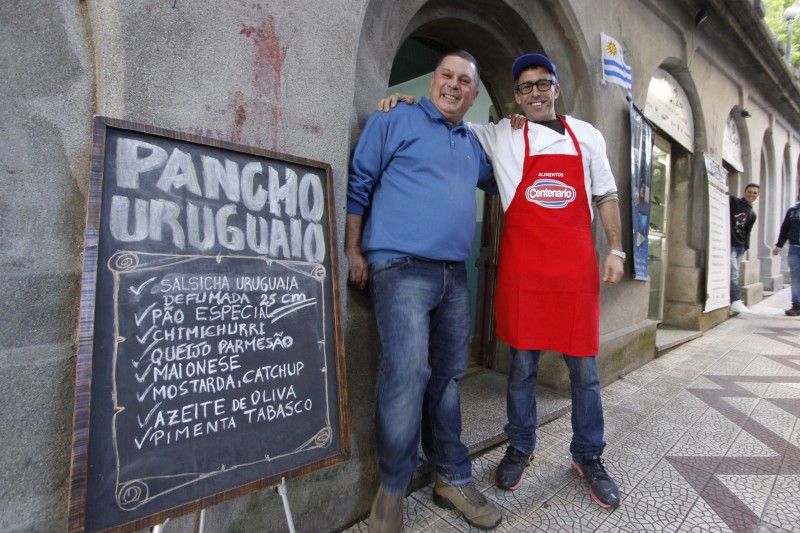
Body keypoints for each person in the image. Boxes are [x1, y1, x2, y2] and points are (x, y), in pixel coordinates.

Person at [381, 52, 624, 509]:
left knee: (585, 373)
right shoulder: (501, 134)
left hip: (574, 274)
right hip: (524, 273)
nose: (535, 92)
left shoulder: (587, 135)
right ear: (516, 96)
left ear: (556, 89)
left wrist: (616, 249)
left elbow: (606, 194)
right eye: (526, 86)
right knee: (522, 368)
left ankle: (588, 455)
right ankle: (520, 445)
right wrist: (409, 103)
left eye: (543, 83)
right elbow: (449, 116)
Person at [346, 50, 502, 532]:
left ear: (474, 94)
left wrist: (517, 129)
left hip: (453, 274)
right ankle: (391, 489)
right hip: (400, 267)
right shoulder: (394, 117)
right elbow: (360, 181)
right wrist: (353, 249)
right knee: (408, 372)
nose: (454, 85)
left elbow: (505, 178)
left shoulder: (472, 143)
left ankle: (451, 476)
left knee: (448, 378)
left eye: (464, 81)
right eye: (446, 76)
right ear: (433, 81)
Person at [729, 184, 760, 314]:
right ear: (744, 191)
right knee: (734, 272)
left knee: (734, 273)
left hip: (740, 247)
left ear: (757, 195)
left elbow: (748, 232)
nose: (751, 194)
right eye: (749, 191)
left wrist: (746, 246)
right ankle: (736, 300)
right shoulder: (734, 202)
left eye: (755, 193)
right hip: (729, 244)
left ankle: (733, 300)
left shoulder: (752, 214)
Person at [773, 200, 800, 316]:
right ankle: (797, 305)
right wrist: (779, 245)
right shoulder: (792, 211)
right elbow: (785, 229)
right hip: (794, 249)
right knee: (795, 278)